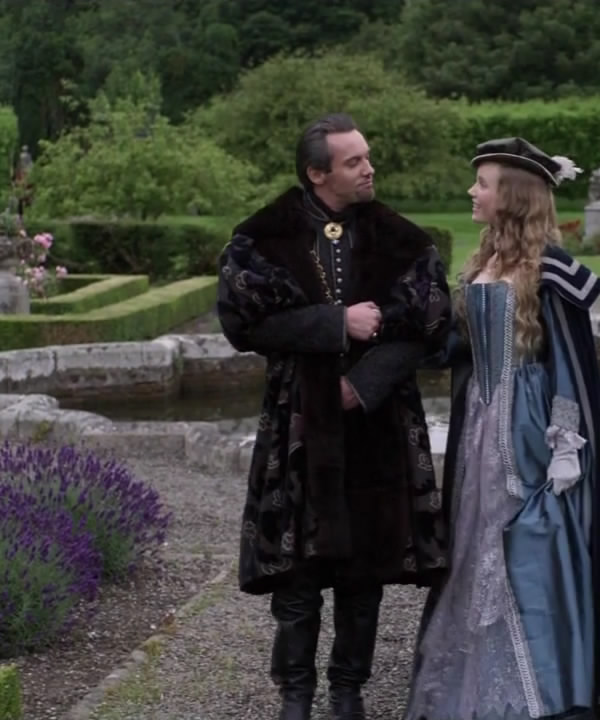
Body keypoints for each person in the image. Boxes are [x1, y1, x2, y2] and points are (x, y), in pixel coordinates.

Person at [216, 112, 453, 720]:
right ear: (317, 174)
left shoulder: (401, 238)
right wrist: (334, 323)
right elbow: (242, 324)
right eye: (354, 162)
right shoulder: (263, 236)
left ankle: (348, 692)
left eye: (367, 157)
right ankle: (295, 696)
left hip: (378, 424)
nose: (369, 168)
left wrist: (363, 385)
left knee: (364, 570)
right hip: (298, 420)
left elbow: (429, 324)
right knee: (298, 570)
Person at [404, 137, 600, 720]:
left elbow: (569, 362)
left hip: (530, 426)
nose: (472, 191)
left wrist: (566, 443)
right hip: (481, 422)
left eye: (482, 183)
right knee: (476, 538)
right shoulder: (481, 262)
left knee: (532, 544)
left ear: (511, 196)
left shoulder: (551, 270)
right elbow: (462, 348)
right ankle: (477, 676)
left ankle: (548, 682)